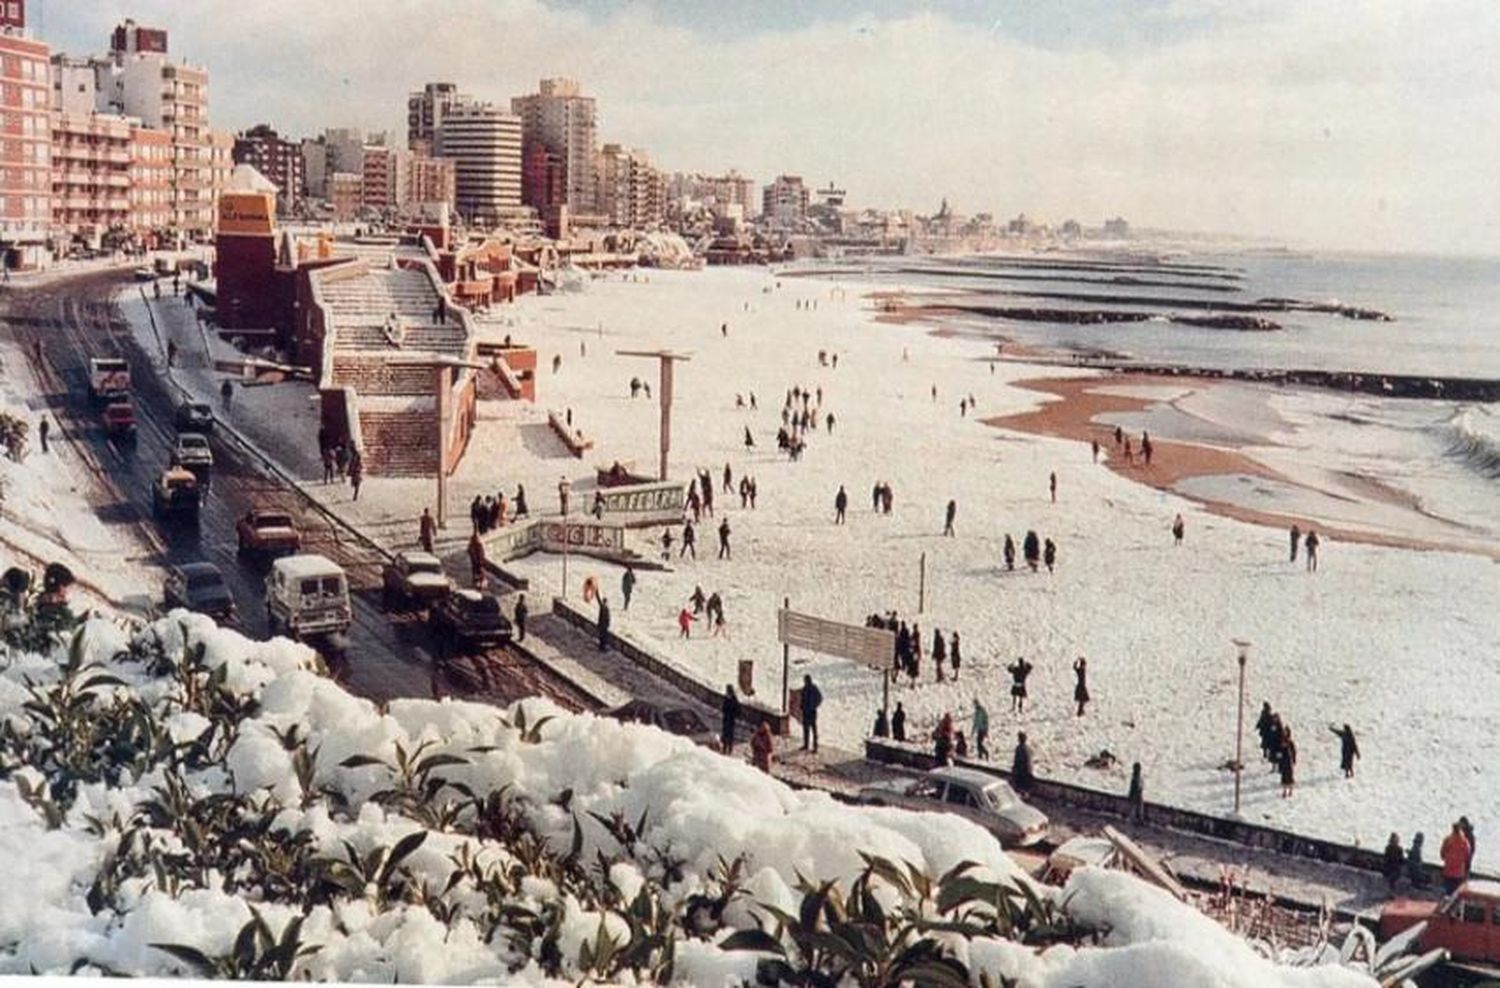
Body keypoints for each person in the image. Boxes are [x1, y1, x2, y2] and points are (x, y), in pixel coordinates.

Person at [1441, 822, 1472, 894]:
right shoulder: (1464, 841)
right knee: (1456, 892)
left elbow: (1442, 853)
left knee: (1448, 891)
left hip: (1448, 870)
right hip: (1459, 872)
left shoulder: (1448, 839)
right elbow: (1467, 855)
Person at [800, 674, 823, 753]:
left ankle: (815, 746)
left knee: (813, 729)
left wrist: (814, 705)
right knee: (806, 729)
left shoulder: (813, 689)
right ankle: (806, 744)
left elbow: (819, 698)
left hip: (811, 712)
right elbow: (802, 699)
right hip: (806, 711)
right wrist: (802, 707)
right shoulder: (804, 689)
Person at [1277, 728, 1297, 797]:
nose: (1285, 733)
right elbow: (1278, 750)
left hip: (1288, 761)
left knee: (1289, 776)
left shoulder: (1290, 742)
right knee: (1284, 777)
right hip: (1283, 762)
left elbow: (1293, 751)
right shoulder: (1281, 741)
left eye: (1286, 732)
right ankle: (1284, 791)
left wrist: (1294, 759)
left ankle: (1290, 790)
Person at [721, 686, 741, 753]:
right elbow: (723, 707)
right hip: (726, 719)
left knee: (730, 735)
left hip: (731, 720)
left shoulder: (734, 700)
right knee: (724, 734)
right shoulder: (726, 699)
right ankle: (724, 748)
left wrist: (733, 714)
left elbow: (738, 711)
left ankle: (730, 749)